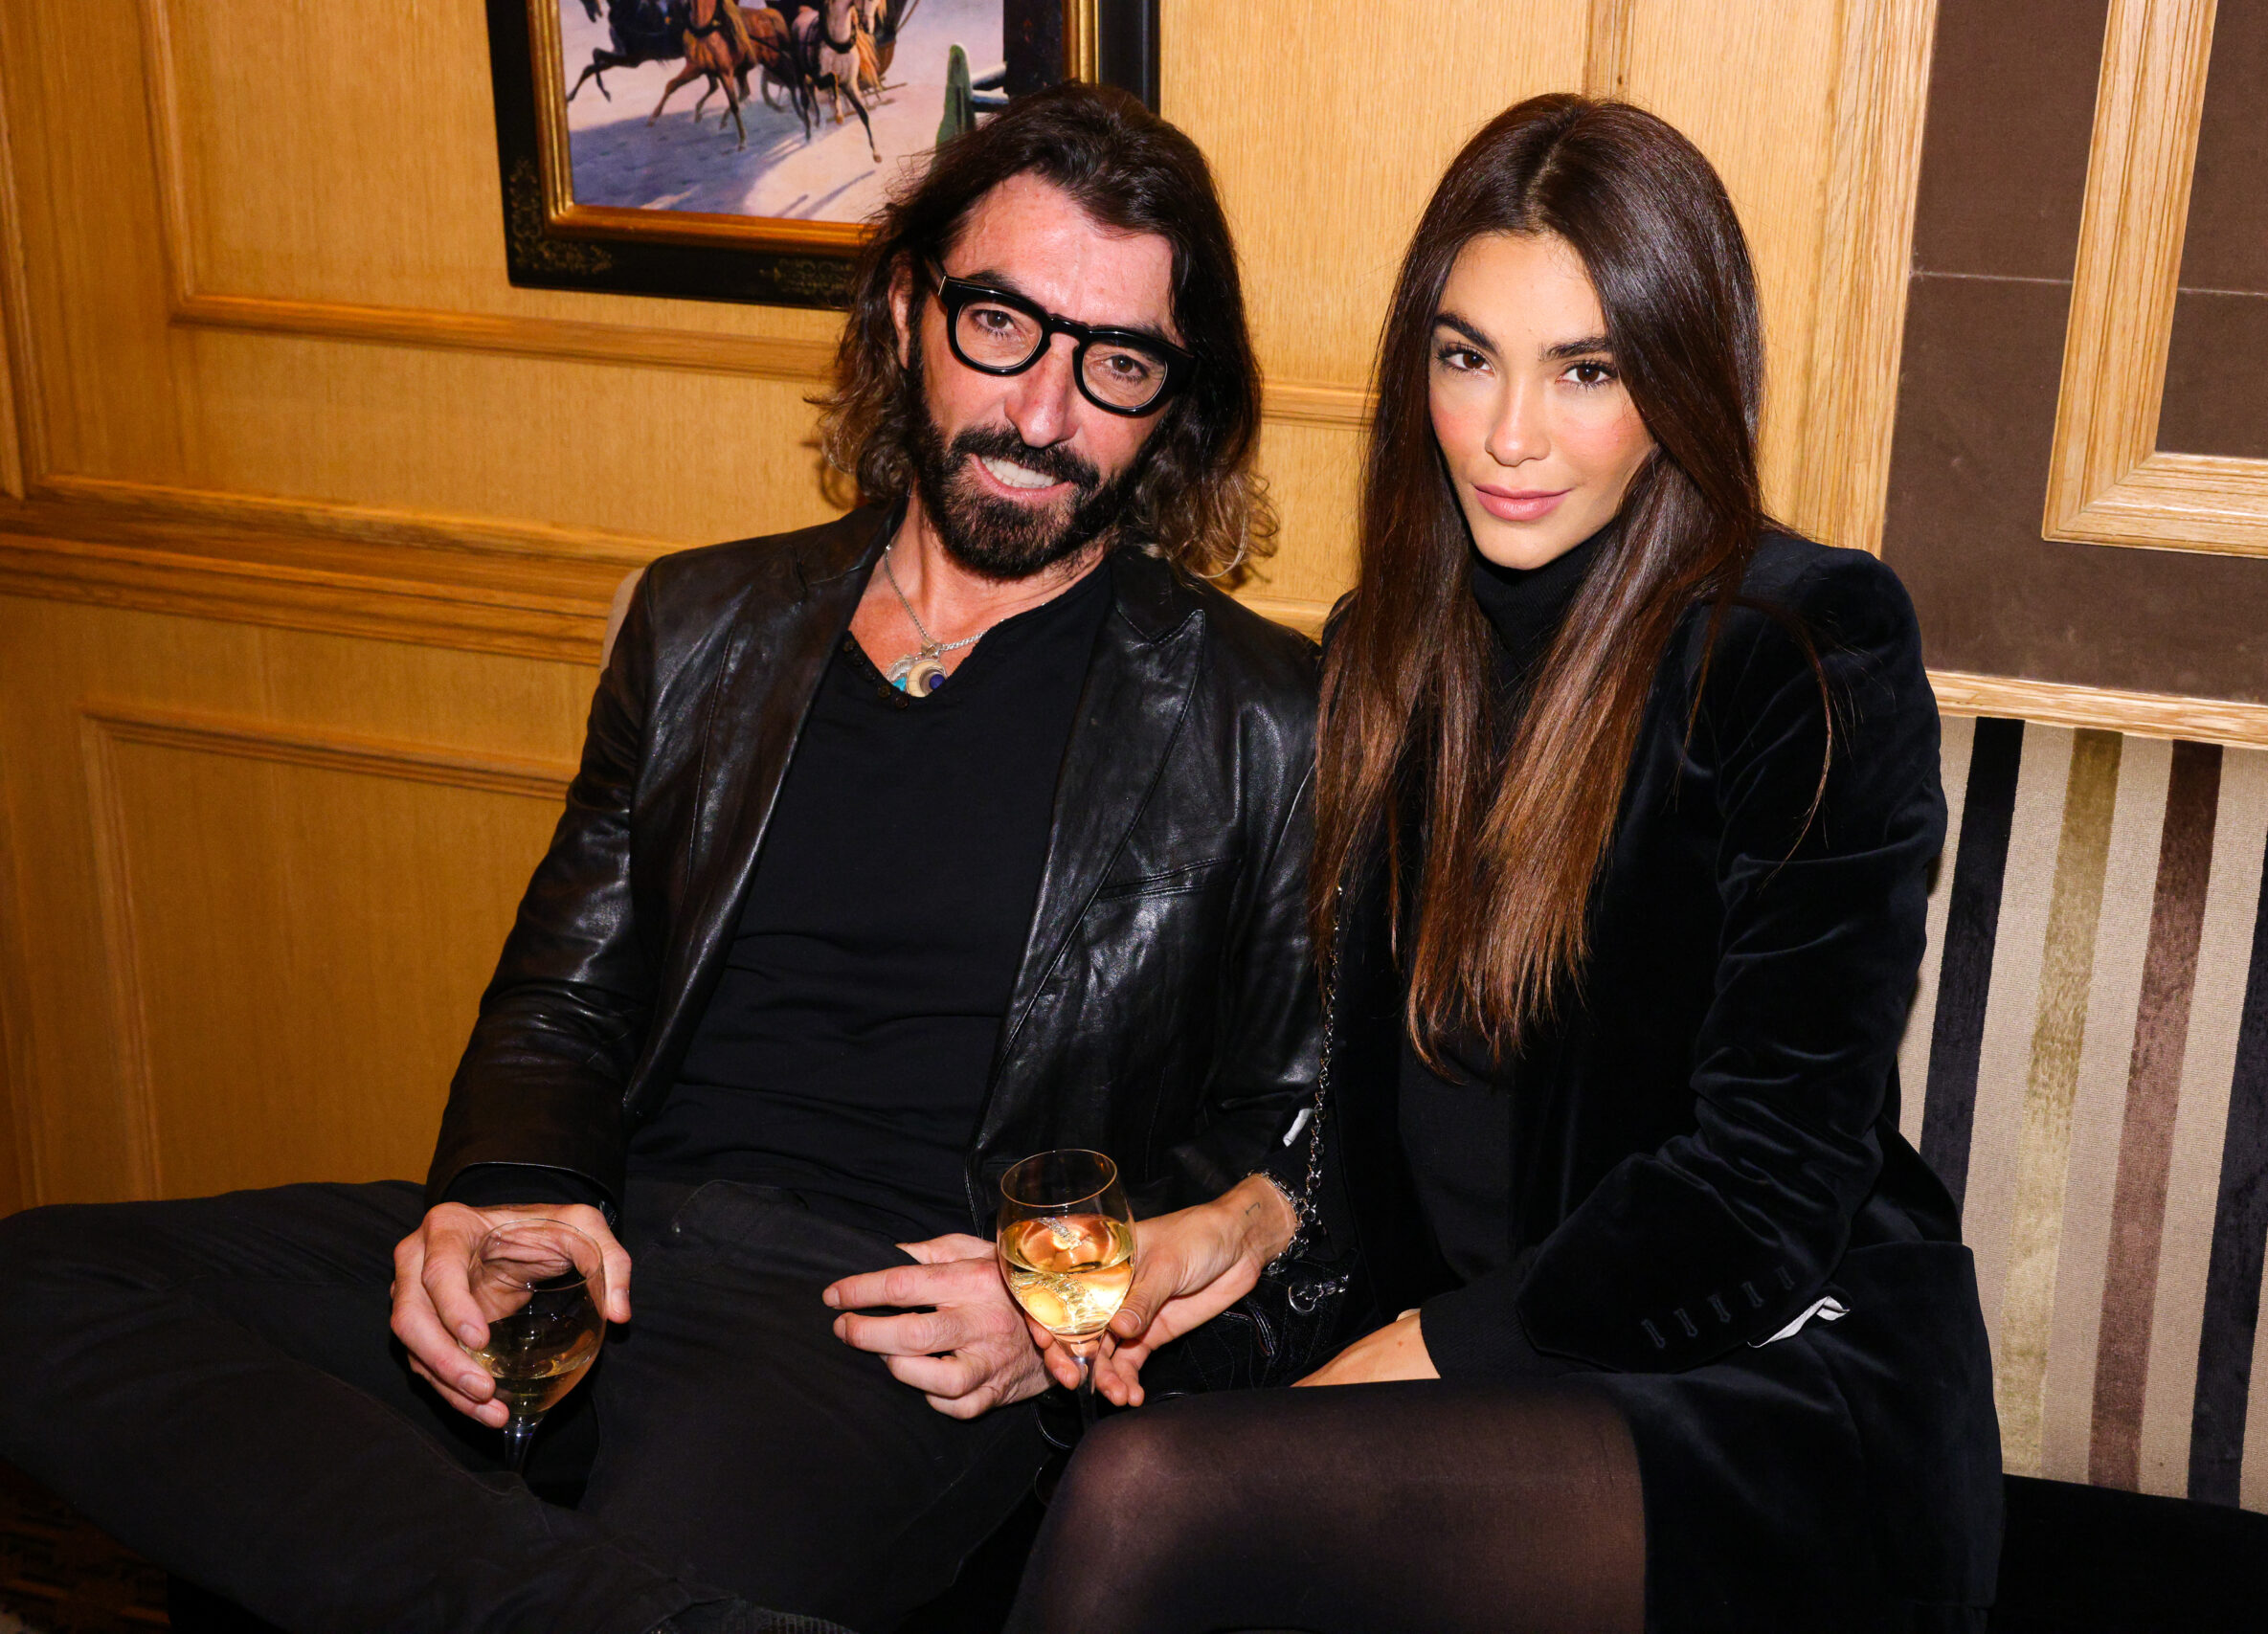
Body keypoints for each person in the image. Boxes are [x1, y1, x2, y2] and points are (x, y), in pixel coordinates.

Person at [0, 83, 1321, 1634]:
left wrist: (1057, 1306)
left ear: (1174, 404)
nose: (1042, 414)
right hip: (608, 1242)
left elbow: (1294, 1136)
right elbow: (563, 1001)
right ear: (909, 310)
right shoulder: (700, 627)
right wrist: (506, 1196)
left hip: (880, 1328)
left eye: (1118, 364)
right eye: (999, 325)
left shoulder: (1261, 717)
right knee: (40, 1288)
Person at [1006, 94, 2005, 1634]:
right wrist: (1248, 1225)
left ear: (1680, 380)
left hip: (1753, 1388)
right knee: (1105, 1443)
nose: (1508, 434)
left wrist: (1414, 1357)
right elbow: (1383, 1120)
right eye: (1467, 358)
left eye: (1586, 371)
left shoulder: (1801, 653)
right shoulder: (1393, 653)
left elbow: (1762, 1191)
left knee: (1160, 1498)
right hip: (1481, 1366)